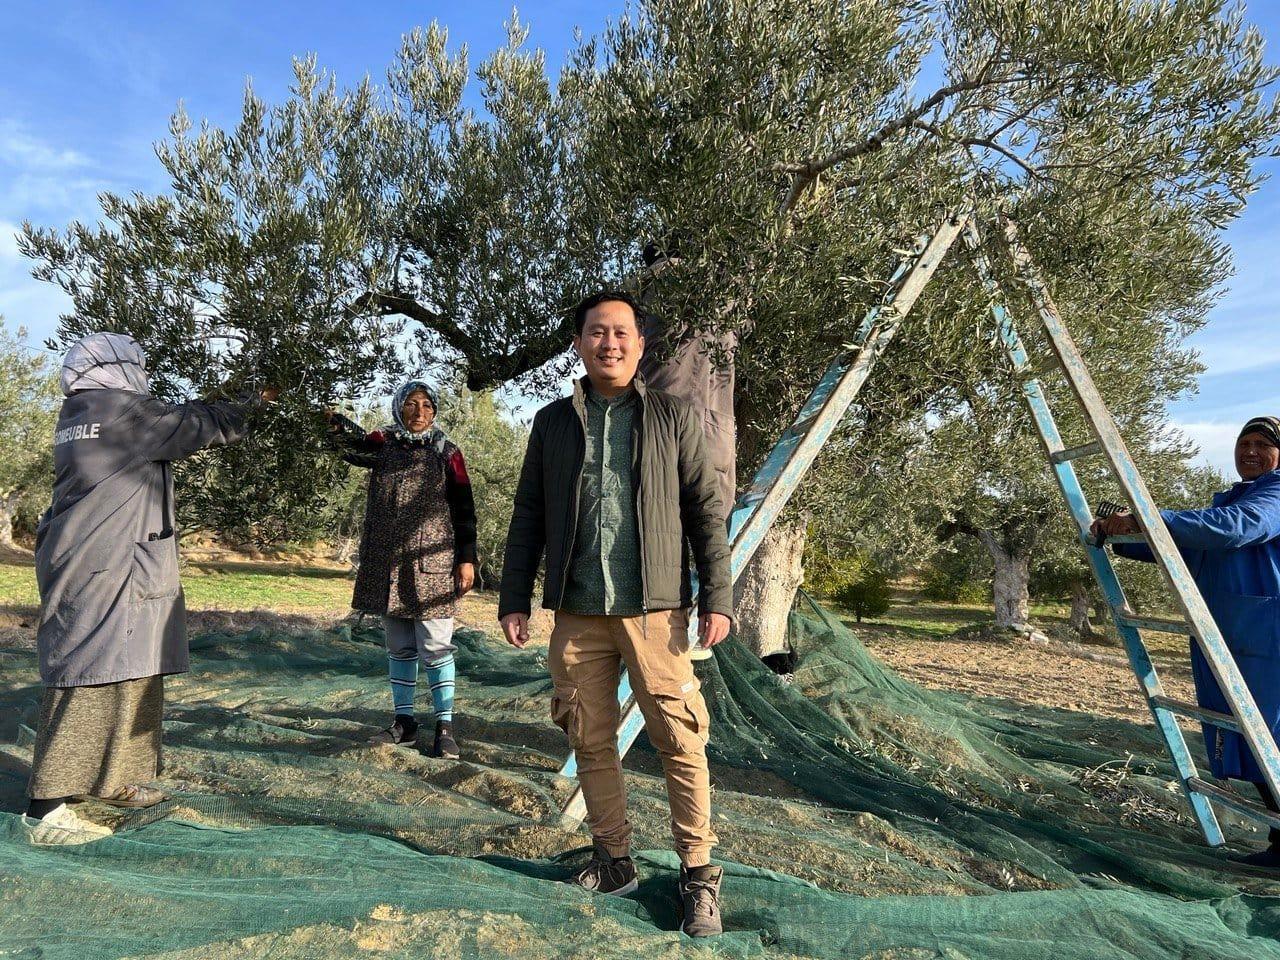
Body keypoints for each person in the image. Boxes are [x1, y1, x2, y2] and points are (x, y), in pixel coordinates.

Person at [498, 291, 733, 937]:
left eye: (621, 332)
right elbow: (527, 516)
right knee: (589, 740)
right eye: (597, 332)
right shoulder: (551, 423)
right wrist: (514, 596)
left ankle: (698, 874)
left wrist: (718, 596)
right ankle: (615, 860)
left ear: (640, 344)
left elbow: (705, 513)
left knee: (681, 741)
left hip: (654, 611)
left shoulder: (673, 417)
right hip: (577, 612)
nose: (610, 343)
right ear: (578, 343)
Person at [24, 333, 272, 845]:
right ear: (119, 368)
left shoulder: (81, 412)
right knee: (88, 674)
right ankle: (46, 809)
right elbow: (206, 425)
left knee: (127, 668)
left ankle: (113, 781)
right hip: (105, 564)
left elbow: (177, 420)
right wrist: (253, 398)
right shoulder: (122, 414)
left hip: (102, 560)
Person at [1094, 415, 1280, 868]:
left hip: (1267, 642)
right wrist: (1124, 534)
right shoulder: (1238, 497)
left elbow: (1235, 527)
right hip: (1230, 640)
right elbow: (1187, 545)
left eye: (1262, 444)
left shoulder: (1273, 496)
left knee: (1269, 739)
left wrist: (1149, 517)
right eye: (1244, 442)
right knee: (1250, 740)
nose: (1250, 451)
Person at [327, 380, 477, 759]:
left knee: (436, 646)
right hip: (387, 564)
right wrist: (328, 421)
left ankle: (444, 727)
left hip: (433, 565)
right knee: (399, 646)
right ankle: (405, 723)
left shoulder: (448, 452)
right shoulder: (384, 445)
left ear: (435, 410)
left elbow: (464, 509)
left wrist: (467, 558)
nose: (419, 412)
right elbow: (350, 445)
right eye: (411, 404)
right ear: (398, 407)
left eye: (427, 405)